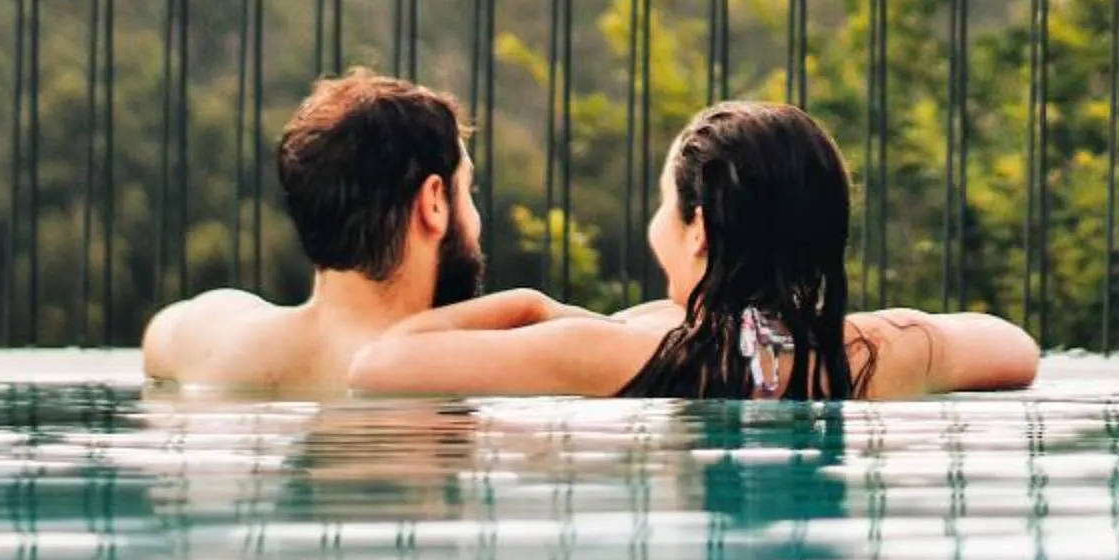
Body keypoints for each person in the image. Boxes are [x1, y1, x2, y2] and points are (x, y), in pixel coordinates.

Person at [347, 100, 1038, 400]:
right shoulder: (871, 354)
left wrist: (529, 306)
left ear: (698, 230)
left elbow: (377, 366)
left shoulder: (609, 354)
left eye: (662, 204)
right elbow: (1014, 349)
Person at [143, 70, 522, 389]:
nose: (476, 219)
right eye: (467, 190)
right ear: (434, 202)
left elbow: (159, 334)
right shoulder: (455, 366)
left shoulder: (212, 333)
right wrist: (524, 307)